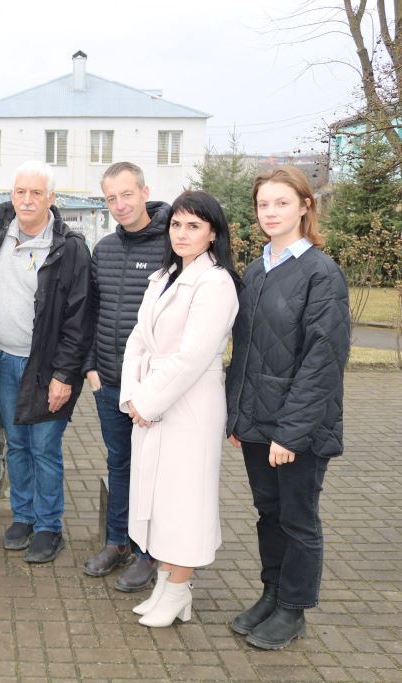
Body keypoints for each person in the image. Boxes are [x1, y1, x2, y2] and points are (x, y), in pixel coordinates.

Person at [225, 167, 350, 650]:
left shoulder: (321, 273)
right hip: (256, 422)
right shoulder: (257, 270)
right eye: (263, 204)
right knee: (268, 513)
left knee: (298, 520)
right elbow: (244, 351)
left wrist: (290, 433)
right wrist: (237, 416)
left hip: (298, 429)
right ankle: (272, 594)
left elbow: (324, 361)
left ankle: (293, 609)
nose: (270, 212)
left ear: (304, 206)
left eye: (281, 202)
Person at [119, 190, 241, 628]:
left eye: (194, 226)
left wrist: (147, 401)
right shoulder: (165, 276)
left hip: (190, 407)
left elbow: (191, 357)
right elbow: (138, 339)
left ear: (213, 234)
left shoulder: (216, 283)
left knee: (184, 501)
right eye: (176, 224)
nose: (182, 233)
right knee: (157, 500)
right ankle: (168, 585)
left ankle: (178, 587)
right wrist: (133, 397)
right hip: (153, 400)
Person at [0, 160, 93, 564]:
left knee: (44, 447)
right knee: (16, 444)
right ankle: (23, 517)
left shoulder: (70, 247)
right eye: (20, 192)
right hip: (6, 360)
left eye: (36, 193)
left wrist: (64, 374)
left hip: (47, 368)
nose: (27, 200)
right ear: (12, 196)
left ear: (51, 198)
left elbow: (80, 318)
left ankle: (48, 526)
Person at [83, 163, 172, 589]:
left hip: (153, 388)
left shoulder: (173, 245)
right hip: (109, 382)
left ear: (145, 192)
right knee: (119, 463)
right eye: (111, 198)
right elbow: (89, 312)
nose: (119, 205)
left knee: (153, 469)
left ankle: (149, 553)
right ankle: (117, 541)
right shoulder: (103, 250)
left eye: (127, 195)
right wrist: (90, 367)